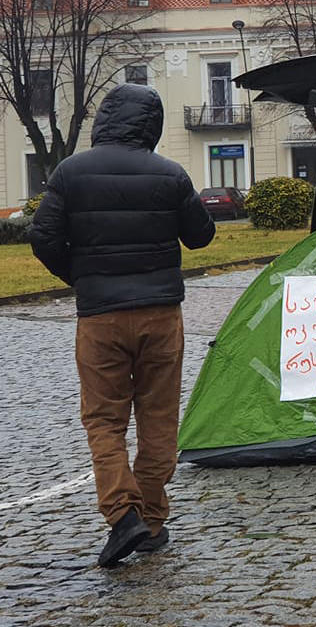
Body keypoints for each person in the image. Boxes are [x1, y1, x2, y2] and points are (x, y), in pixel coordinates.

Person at [28, 84, 215, 567]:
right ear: (151, 124)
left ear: (104, 120)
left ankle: (123, 514)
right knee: (158, 418)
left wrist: (81, 277)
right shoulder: (171, 174)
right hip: (160, 315)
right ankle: (150, 519)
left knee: (103, 420)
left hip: (100, 319)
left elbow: (43, 235)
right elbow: (200, 237)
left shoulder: (70, 172)